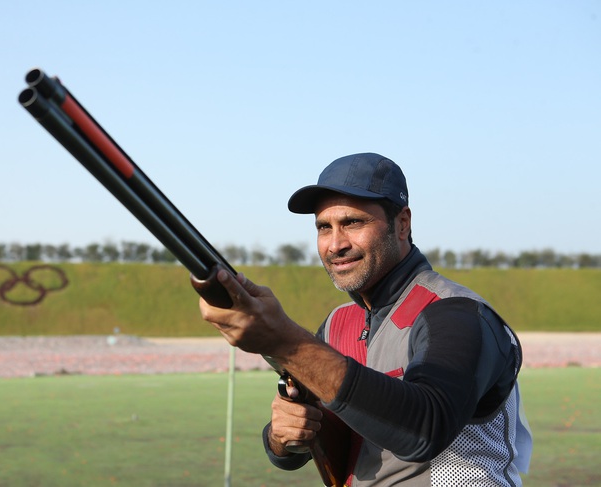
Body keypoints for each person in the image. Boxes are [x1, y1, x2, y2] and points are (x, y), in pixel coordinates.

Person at [198, 153, 532, 486]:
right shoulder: (336, 325)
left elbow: (426, 429)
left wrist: (286, 342)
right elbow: (312, 442)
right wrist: (282, 437)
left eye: (353, 223)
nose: (335, 244)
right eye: (323, 227)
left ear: (402, 223)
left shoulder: (457, 312)